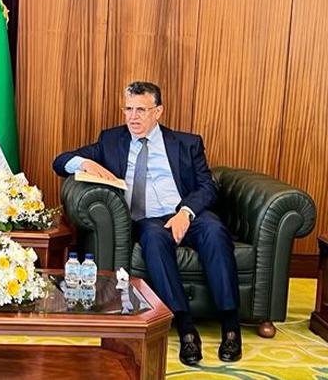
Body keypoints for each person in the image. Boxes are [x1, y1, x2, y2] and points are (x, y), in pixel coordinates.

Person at [53, 81, 242, 365]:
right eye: (128, 109)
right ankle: (186, 328)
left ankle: (230, 326)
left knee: (215, 232)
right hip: (147, 220)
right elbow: (60, 161)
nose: (133, 117)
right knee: (153, 240)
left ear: (158, 111)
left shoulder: (187, 143)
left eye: (141, 110)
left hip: (187, 212)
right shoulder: (111, 141)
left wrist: (185, 212)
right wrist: (84, 163)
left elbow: (207, 186)